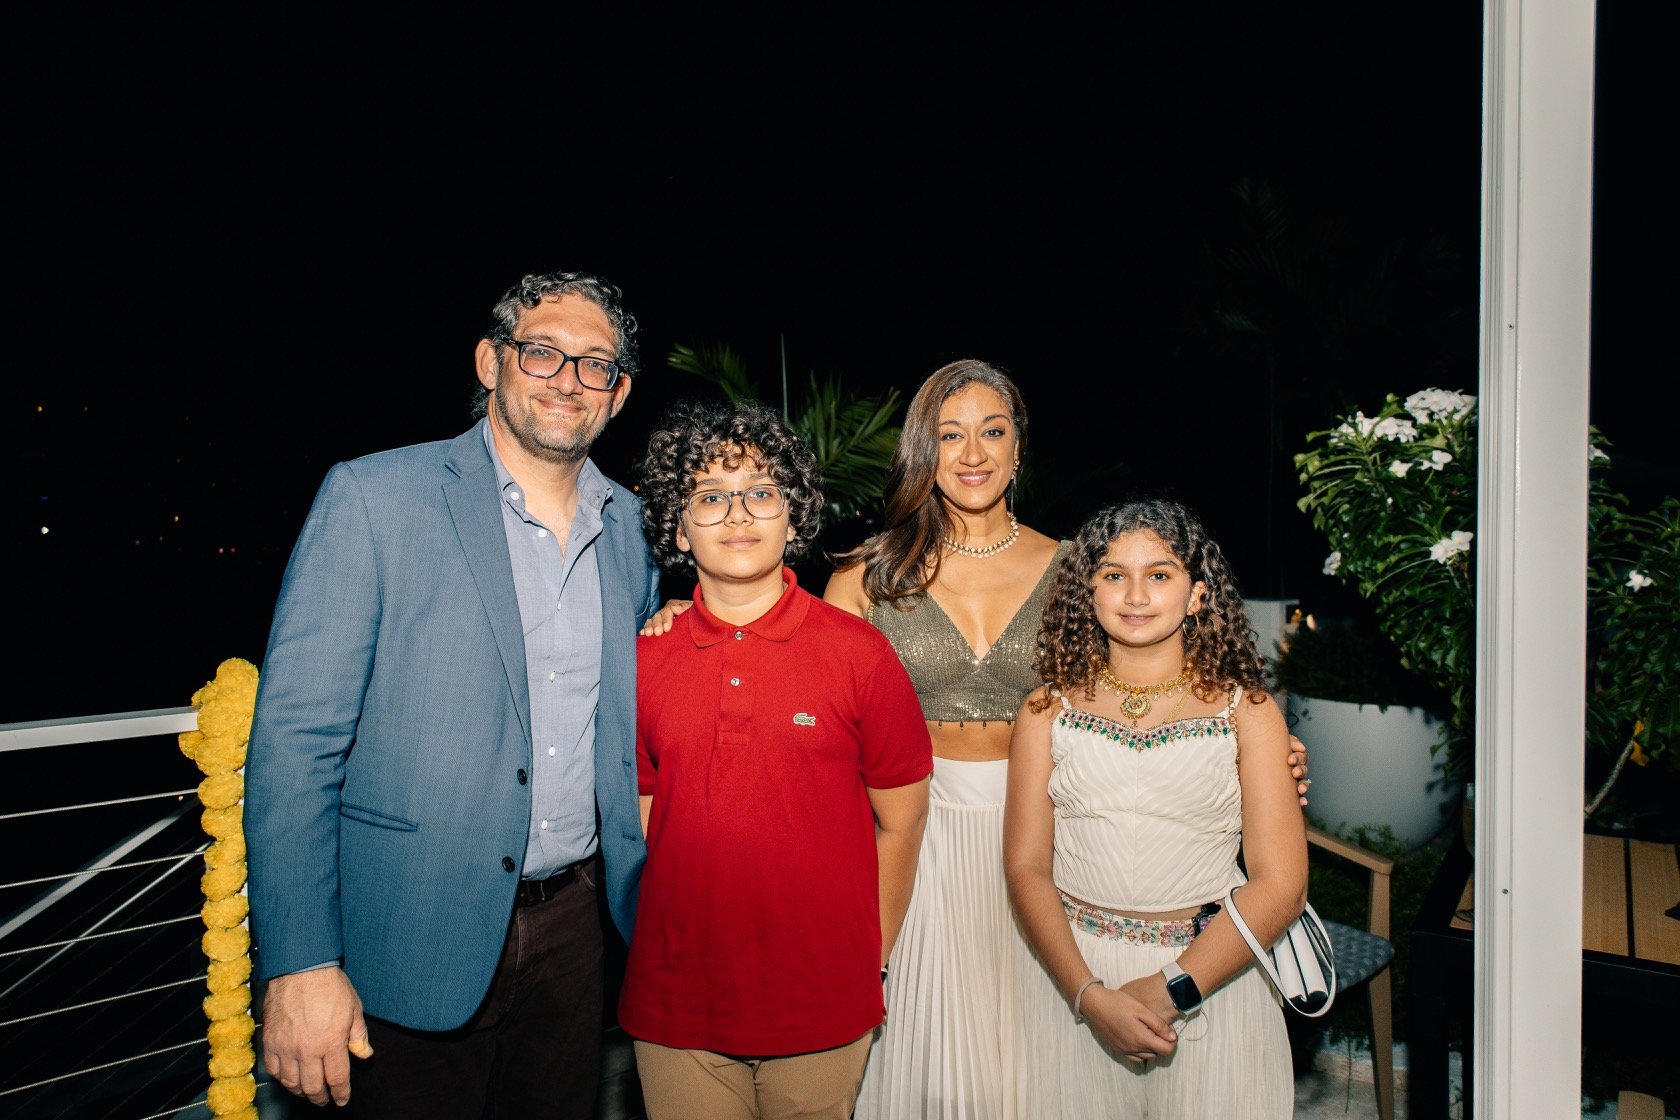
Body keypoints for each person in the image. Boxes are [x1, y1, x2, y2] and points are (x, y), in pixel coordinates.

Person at [243, 269, 661, 1118]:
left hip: (578, 936)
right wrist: (299, 963)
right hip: (404, 933)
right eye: (543, 352)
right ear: (490, 361)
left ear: (617, 395)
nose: (567, 380)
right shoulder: (372, 497)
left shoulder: (638, 533)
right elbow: (294, 746)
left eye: (594, 365)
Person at [618, 398, 932, 1120]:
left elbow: (904, 823)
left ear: (793, 517)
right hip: (677, 1009)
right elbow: (645, 834)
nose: (737, 514)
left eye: (761, 492)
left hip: (821, 1005)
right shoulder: (640, 661)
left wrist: (868, 959)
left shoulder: (859, 654)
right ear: (676, 527)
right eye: (709, 497)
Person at [1002, 498, 1306, 1119]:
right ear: (1087, 592)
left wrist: (1175, 987)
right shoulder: (1044, 712)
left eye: (1160, 574)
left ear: (1197, 595)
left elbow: (1280, 887)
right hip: (1079, 977)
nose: (1136, 594)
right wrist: (1089, 996)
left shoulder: (1247, 712)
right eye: (1114, 574)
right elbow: (1026, 868)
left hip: (1216, 975)